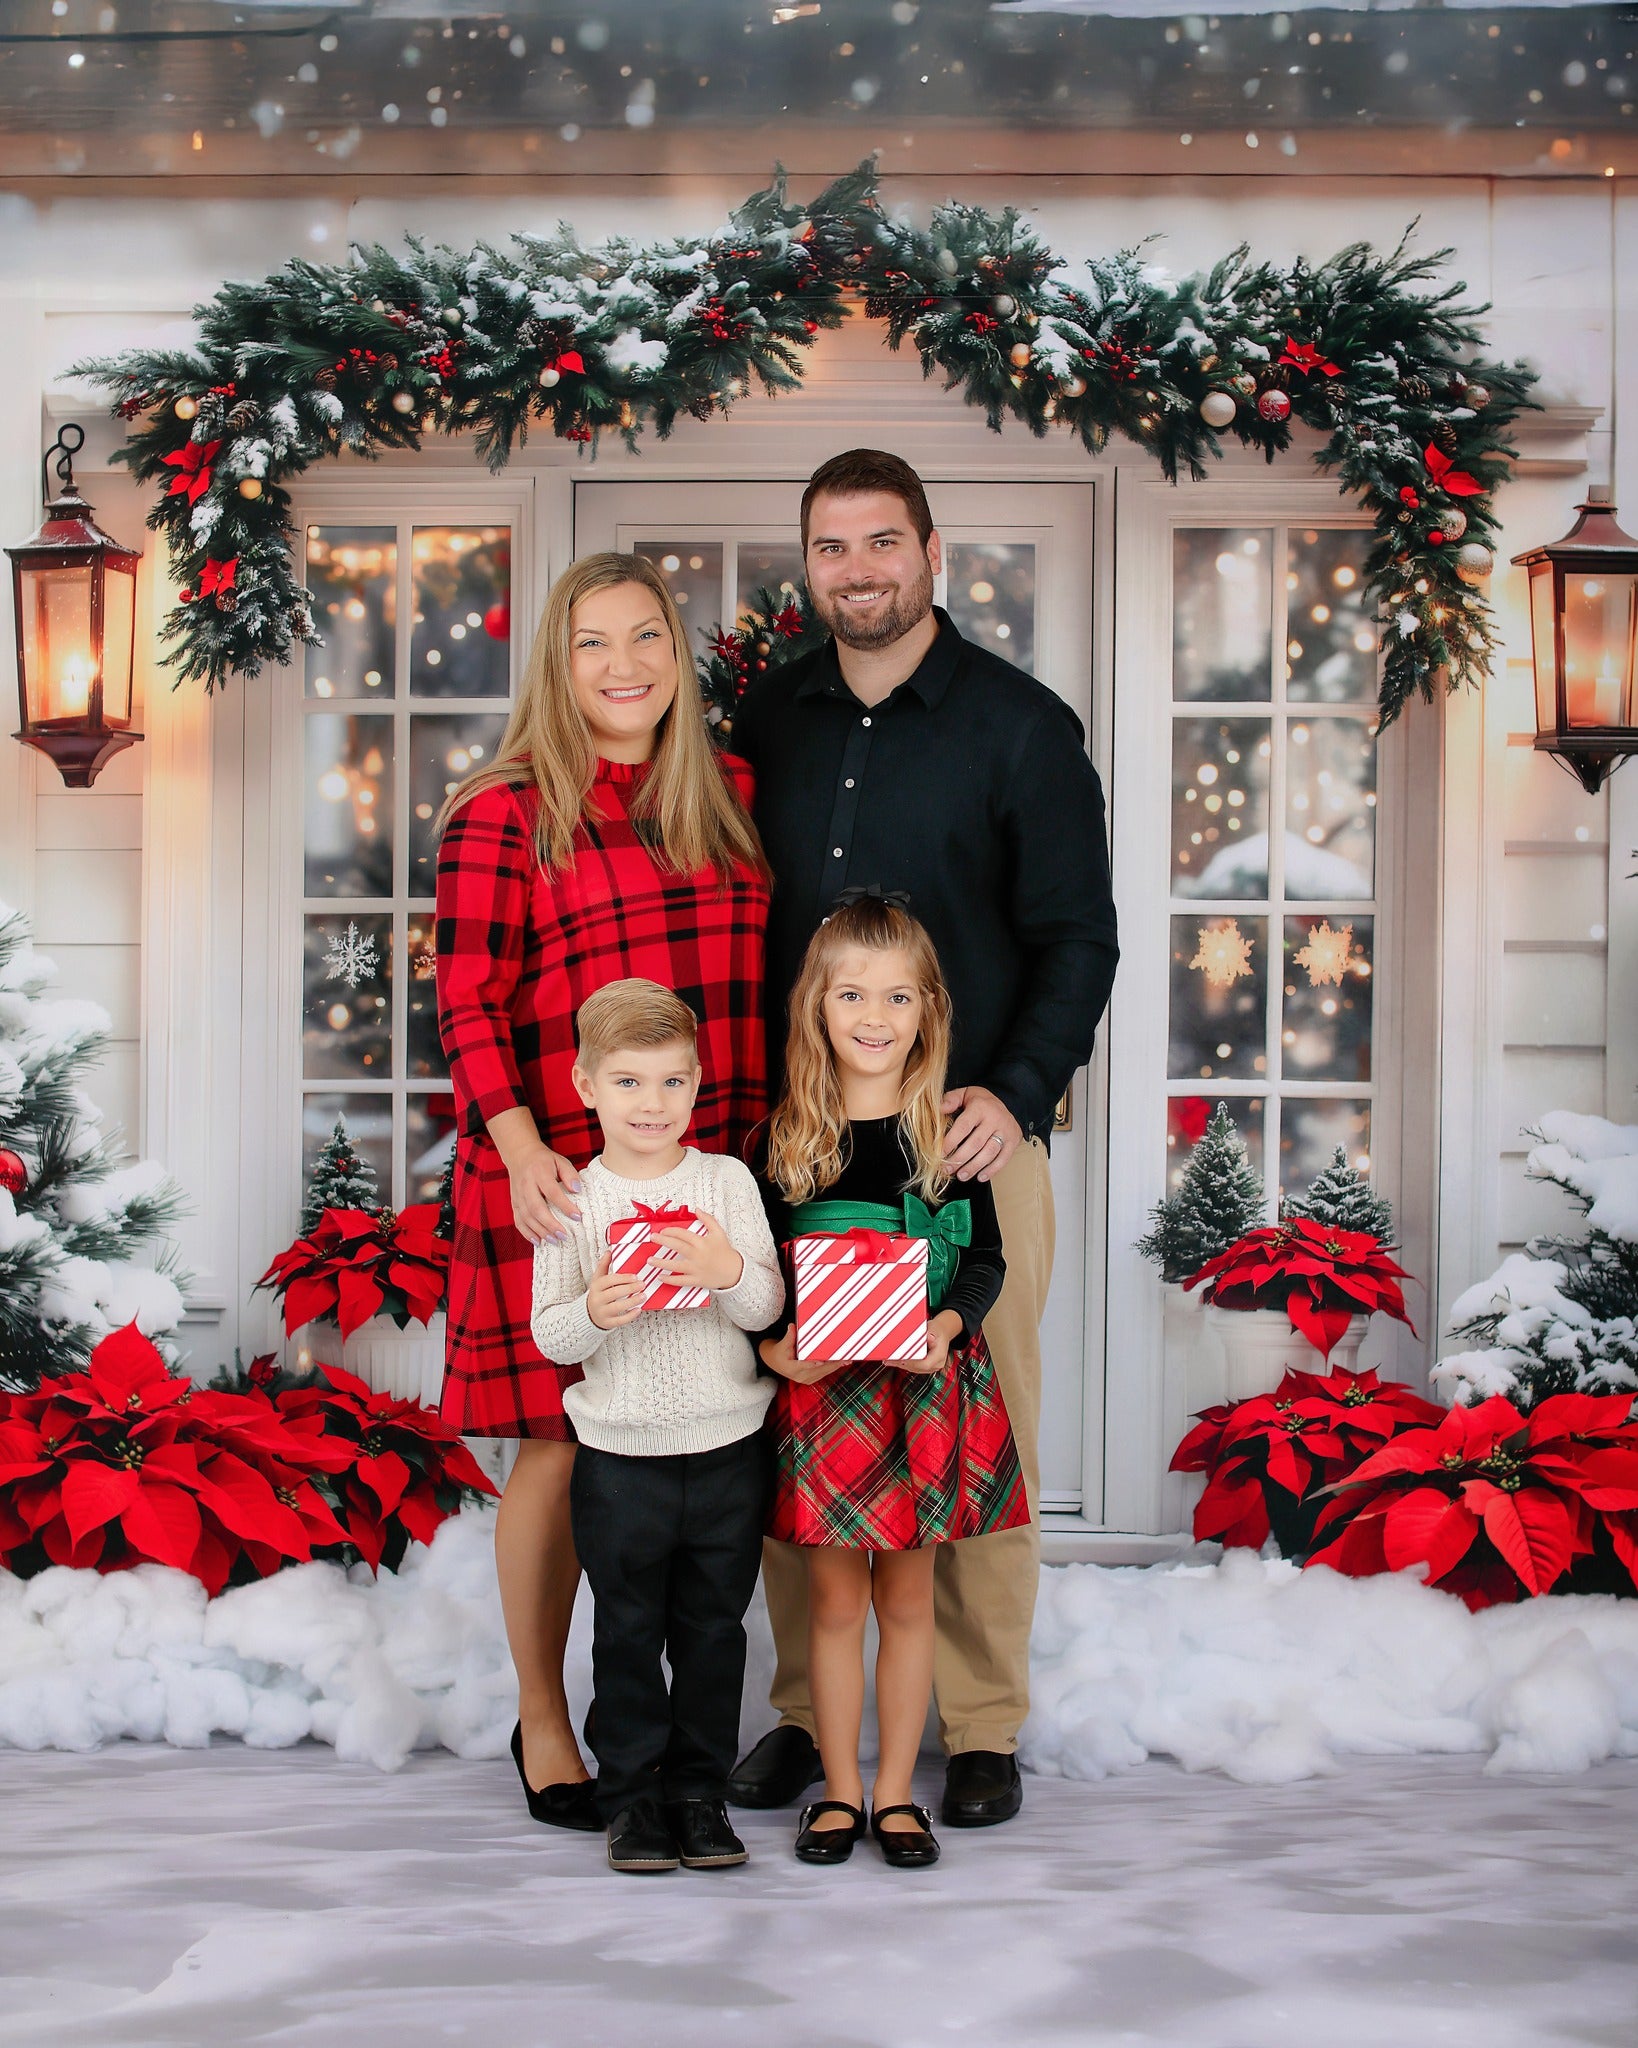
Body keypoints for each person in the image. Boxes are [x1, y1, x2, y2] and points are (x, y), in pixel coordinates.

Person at [728, 449, 1119, 1829]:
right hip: (808, 1151)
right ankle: (801, 1714)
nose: (858, 572)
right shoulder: (765, 719)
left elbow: (1079, 935)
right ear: (808, 563)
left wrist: (1012, 1094)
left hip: (970, 1153)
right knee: (805, 1421)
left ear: (932, 551)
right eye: (831, 548)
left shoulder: (1018, 726)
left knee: (977, 1426)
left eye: (882, 543)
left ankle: (985, 1720)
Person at [435, 552, 770, 1831]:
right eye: (591, 642)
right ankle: (543, 1715)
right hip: (563, 1177)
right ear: (555, 663)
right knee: (564, 1444)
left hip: (706, 1163)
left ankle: (692, 1740)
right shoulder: (505, 811)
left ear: (675, 657)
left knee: (709, 1433)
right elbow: (464, 1000)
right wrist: (522, 1149)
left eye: (645, 637)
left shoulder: (730, 791)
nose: (623, 665)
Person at [754, 895, 1027, 1868]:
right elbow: (756, 1280)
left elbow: (986, 1259)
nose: (876, 1014)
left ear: (928, 1009)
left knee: (908, 1601)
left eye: (898, 994)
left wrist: (946, 1328)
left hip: (919, 1391)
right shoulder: (784, 1138)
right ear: (817, 1007)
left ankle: (898, 1793)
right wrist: (775, 1348)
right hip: (827, 1404)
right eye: (853, 992)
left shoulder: (946, 1138)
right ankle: (835, 1794)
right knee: (833, 1603)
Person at [530, 979, 785, 1874]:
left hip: (727, 1453)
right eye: (630, 1083)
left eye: (673, 1083)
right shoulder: (571, 1199)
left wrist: (722, 1266)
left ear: (699, 1083)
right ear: (585, 1084)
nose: (653, 1103)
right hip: (619, 1460)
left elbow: (765, 1307)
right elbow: (548, 1331)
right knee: (627, 1632)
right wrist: (595, 1312)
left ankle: (698, 1794)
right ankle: (632, 1798)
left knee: (714, 1633)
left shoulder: (725, 1181)